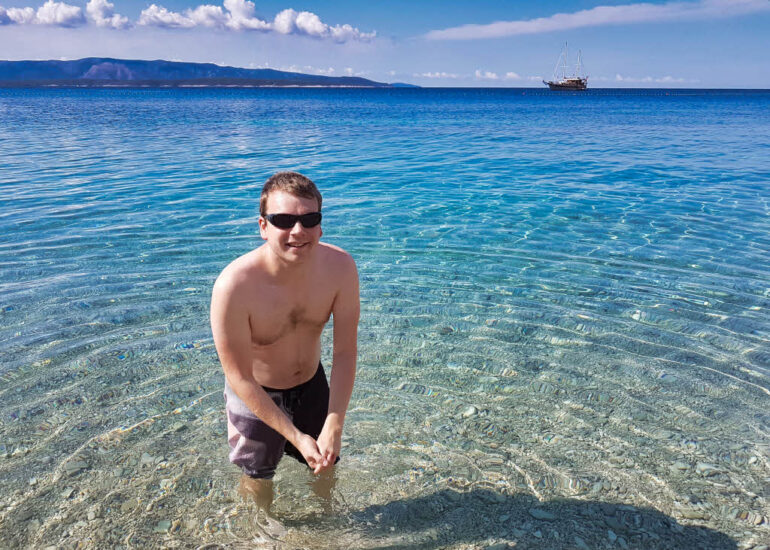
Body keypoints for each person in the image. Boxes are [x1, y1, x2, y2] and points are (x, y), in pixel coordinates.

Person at [210, 171, 359, 514]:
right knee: (257, 476)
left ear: (321, 225)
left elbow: (345, 352)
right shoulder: (235, 286)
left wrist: (334, 423)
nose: (298, 231)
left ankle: (327, 524)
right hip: (256, 395)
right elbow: (239, 377)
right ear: (263, 225)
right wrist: (294, 435)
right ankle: (262, 533)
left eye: (309, 219)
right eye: (283, 220)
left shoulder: (340, 269)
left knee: (326, 461)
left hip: (312, 384)